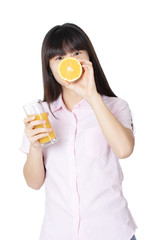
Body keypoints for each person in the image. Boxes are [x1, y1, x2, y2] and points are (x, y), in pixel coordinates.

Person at [20, 23, 137, 240]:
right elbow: (33, 182)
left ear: (88, 57)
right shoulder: (42, 114)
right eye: (59, 58)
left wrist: (92, 95)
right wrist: (35, 148)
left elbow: (124, 149)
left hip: (112, 232)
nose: (69, 62)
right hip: (58, 233)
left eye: (75, 53)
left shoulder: (115, 106)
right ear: (49, 67)